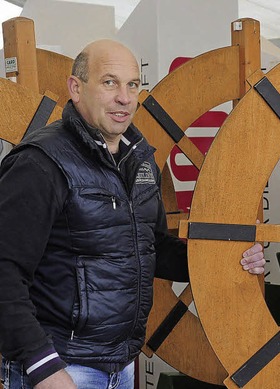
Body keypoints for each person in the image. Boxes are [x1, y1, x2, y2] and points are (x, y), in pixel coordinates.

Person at [0, 39, 266, 389]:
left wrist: (228, 258)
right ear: (76, 88)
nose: (124, 97)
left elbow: (149, 248)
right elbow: (4, 270)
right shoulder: (40, 163)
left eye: (132, 85)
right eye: (109, 82)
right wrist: (44, 368)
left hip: (121, 367)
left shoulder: (140, 161)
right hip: (62, 370)